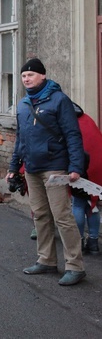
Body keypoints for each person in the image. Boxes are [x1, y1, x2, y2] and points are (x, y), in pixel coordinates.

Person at [7, 58, 86, 286]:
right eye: (23, 76)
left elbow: (73, 134)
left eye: (30, 75)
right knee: (40, 215)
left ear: (42, 76)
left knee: (62, 216)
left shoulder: (59, 100)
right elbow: (20, 138)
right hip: (32, 167)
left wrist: (75, 167)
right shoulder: (23, 105)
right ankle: (46, 260)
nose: (26, 79)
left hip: (54, 166)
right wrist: (14, 167)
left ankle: (75, 266)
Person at [70, 103, 101, 255]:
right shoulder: (88, 120)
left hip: (79, 169)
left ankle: (79, 241)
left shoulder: (68, 124)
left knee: (78, 205)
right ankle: (94, 243)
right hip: (97, 169)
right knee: (92, 205)